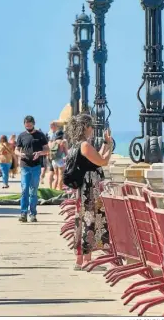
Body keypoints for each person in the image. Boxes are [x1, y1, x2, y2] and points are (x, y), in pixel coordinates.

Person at [65, 114, 112, 271]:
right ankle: (87, 261)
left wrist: (106, 143)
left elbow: (97, 157)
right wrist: (110, 145)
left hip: (83, 189)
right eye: (91, 126)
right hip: (89, 188)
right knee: (89, 220)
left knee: (82, 220)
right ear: (85, 127)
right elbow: (102, 161)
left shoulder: (76, 145)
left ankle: (80, 261)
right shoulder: (84, 145)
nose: (92, 129)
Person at [15, 116, 49, 223]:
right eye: (26, 124)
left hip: (36, 166)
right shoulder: (21, 135)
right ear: (24, 124)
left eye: (30, 124)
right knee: (24, 189)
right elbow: (16, 150)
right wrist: (20, 154)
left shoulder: (40, 135)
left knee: (33, 190)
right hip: (25, 165)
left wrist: (40, 153)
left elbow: (47, 150)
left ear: (34, 123)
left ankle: (33, 214)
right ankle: (23, 213)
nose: (28, 126)